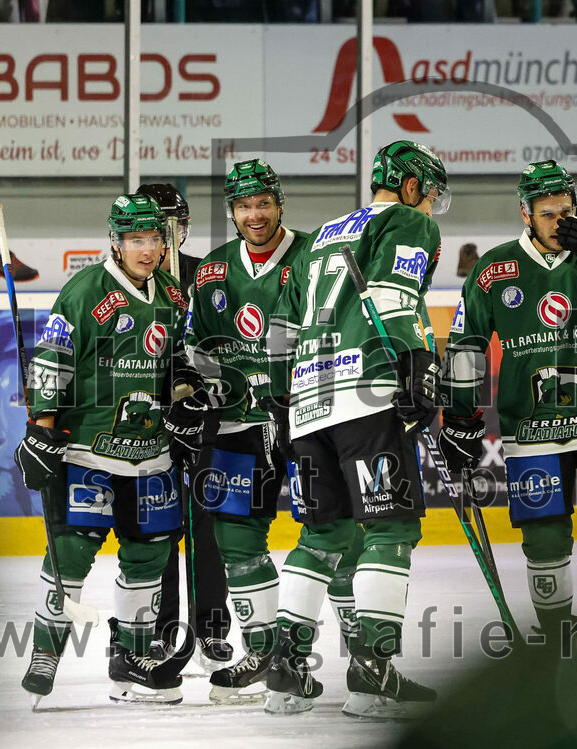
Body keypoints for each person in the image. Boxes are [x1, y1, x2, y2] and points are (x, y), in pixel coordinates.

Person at [439, 160, 577, 655]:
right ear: (525, 213)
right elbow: (465, 348)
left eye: (566, 211)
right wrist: (459, 418)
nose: (559, 223)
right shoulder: (494, 268)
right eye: (547, 214)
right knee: (543, 541)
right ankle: (559, 641)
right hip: (531, 430)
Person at [264, 140, 447, 718]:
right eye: (431, 192)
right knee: (390, 531)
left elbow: (280, 326)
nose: (432, 204)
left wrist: (280, 393)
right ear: (413, 184)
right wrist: (418, 365)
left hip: (309, 401)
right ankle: (372, 675)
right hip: (366, 396)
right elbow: (394, 299)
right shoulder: (405, 221)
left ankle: (284, 674)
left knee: (325, 536)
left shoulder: (322, 235)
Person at [180, 159, 360, 704]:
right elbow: (194, 349)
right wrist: (191, 389)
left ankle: (364, 650)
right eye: (243, 206)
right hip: (238, 421)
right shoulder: (211, 271)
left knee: (335, 532)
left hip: (307, 417)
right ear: (232, 212)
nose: (254, 215)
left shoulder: (315, 258)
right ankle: (262, 652)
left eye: (263, 204)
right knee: (236, 536)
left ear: (280, 204)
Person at [15, 194, 188, 706]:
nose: (147, 249)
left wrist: (189, 395)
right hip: (88, 450)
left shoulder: (173, 297)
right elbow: (53, 361)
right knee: (70, 552)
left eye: (155, 239)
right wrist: (42, 430)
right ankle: (46, 651)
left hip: (152, 452)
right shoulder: (84, 291)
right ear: (115, 241)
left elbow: (180, 364)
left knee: (149, 555)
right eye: (136, 240)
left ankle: (132, 657)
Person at [135, 182, 235, 673]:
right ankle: (163, 629)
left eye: (174, 227)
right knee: (157, 529)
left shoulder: (208, 276)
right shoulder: (130, 284)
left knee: (208, 525)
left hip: (203, 421)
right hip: (149, 427)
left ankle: (212, 629)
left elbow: (227, 345)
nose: (166, 239)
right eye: (158, 228)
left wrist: (200, 400)